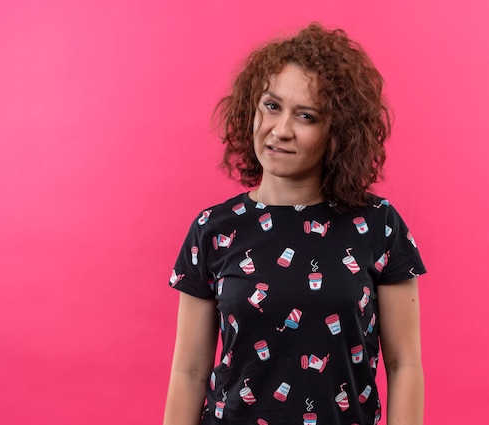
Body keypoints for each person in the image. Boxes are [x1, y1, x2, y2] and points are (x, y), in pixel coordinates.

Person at [164, 22, 426, 425]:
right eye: (271, 106)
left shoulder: (378, 225)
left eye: (305, 116)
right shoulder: (214, 229)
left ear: (336, 133)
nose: (280, 130)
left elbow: (404, 365)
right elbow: (190, 372)